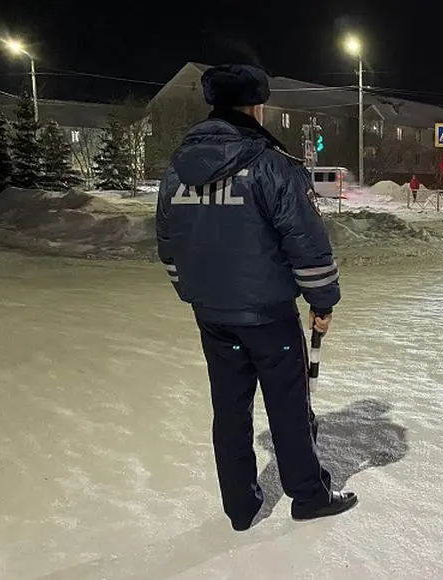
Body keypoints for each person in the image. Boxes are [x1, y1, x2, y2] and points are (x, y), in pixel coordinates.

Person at [155, 64, 357, 531]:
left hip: (213, 315)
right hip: (267, 315)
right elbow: (306, 243)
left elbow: (167, 242)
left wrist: (192, 292)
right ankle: (308, 495)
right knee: (288, 406)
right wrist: (322, 302)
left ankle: (240, 507)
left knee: (229, 408)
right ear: (257, 105)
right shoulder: (272, 165)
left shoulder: (176, 170)